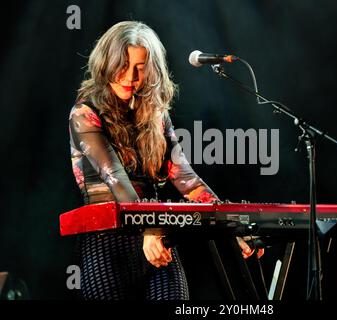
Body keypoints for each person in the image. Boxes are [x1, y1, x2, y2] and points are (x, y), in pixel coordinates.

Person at [69, 21, 262, 300]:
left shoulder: (157, 116)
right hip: (108, 243)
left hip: (158, 237)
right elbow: (114, 176)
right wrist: (148, 226)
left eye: (140, 67)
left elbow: (187, 178)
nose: (130, 76)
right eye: (122, 64)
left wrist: (233, 227)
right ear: (106, 62)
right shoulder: (84, 112)